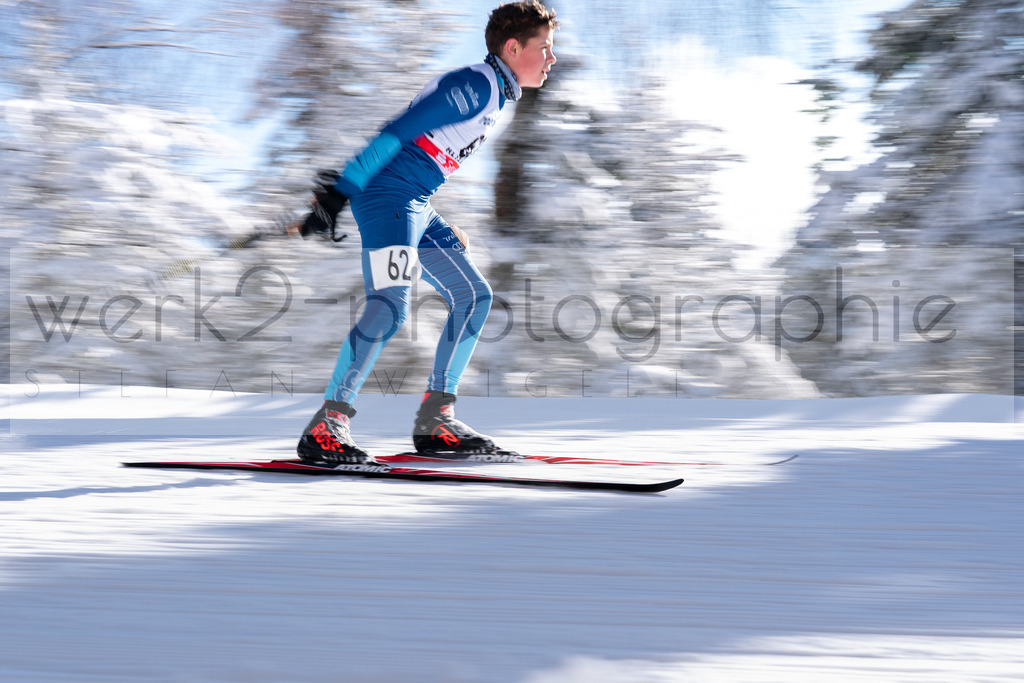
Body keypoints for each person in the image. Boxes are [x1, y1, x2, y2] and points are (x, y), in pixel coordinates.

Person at [295, 1, 558, 464]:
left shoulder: (494, 91)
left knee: (473, 295)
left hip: (413, 204)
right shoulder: (476, 85)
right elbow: (396, 133)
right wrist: (342, 190)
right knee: (390, 307)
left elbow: (424, 159)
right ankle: (326, 427)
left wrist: (435, 222)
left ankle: (436, 420)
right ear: (514, 48)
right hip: (387, 199)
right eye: (545, 47)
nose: (552, 58)